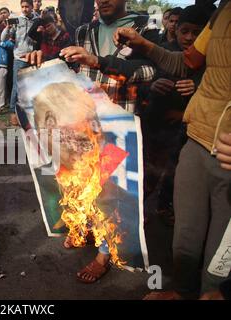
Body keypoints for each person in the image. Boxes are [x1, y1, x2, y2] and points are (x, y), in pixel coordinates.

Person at [25, 0, 158, 283]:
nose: (103, 1)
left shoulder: (145, 26)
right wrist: (41, 59)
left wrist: (99, 62)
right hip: (80, 130)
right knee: (79, 182)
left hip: (117, 130)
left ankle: (104, 252)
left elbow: (151, 71)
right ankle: (83, 226)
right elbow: (67, 66)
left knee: (108, 193)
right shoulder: (86, 30)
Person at [114, 0, 231, 299]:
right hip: (197, 142)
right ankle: (181, 292)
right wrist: (143, 44)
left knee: (220, 262)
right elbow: (188, 61)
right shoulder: (222, 11)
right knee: (185, 241)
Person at [143, 5, 210, 225]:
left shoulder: (212, 65)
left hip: (189, 135)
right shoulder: (165, 52)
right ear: (176, 29)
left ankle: (165, 207)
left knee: (176, 177)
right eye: (185, 31)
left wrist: (197, 90)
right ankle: (137, 210)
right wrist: (153, 85)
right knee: (149, 175)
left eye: (197, 33)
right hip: (157, 130)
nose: (190, 38)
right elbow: (142, 80)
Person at [1, 0, 38, 126]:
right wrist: (7, 27)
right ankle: (13, 113)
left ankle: (28, 115)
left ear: (32, 7)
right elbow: (3, 38)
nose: (25, 9)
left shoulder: (37, 19)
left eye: (27, 6)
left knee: (31, 87)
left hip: (33, 58)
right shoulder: (16, 20)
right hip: (19, 58)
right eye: (22, 7)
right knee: (17, 87)